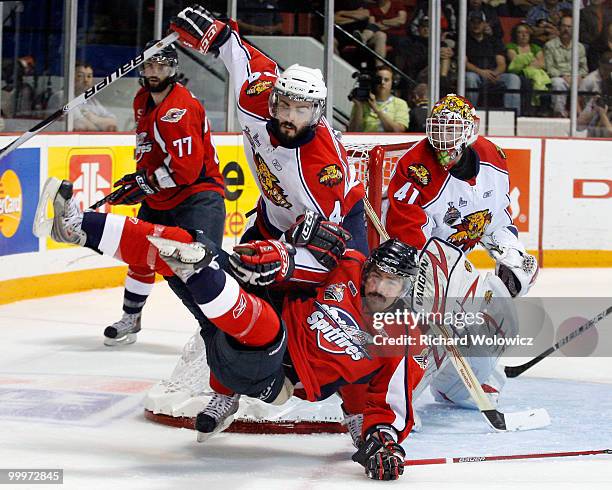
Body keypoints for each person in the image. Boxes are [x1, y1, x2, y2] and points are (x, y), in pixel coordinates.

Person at [36, 175, 524, 480]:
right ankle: (79, 227)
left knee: (257, 326)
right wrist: (281, 249)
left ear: (407, 289)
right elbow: (292, 266)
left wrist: (380, 439)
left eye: (390, 282)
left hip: (278, 380)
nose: (377, 284)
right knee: (188, 247)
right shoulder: (347, 266)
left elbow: (376, 403)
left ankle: (205, 287)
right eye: (375, 273)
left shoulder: (399, 340)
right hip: (237, 333)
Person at [169, 4, 369, 259]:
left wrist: (282, 257)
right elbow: (247, 60)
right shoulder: (255, 101)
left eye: (301, 110)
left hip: (337, 222)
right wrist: (219, 37)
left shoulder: (322, 168)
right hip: (272, 217)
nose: (289, 116)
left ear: (316, 115)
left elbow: (325, 240)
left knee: (344, 284)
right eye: (284, 105)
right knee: (229, 283)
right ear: (273, 99)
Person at [101, 41, 226, 346]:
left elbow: (186, 171)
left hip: (198, 195)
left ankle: (219, 332)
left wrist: (145, 184)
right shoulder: (143, 98)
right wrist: (142, 182)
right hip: (162, 196)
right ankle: (131, 318)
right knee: (141, 257)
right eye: (149, 65)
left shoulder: (178, 110)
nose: (154, 71)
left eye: (161, 65)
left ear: (173, 69)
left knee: (196, 267)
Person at [384, 93, 539, 299]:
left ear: (470, 131)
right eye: (438, 128)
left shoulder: (493, 156)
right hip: (406, 267)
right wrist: (446, 279)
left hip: (450, 261)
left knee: (521, 272)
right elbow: (408, 239)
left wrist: (509, 251)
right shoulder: (415, 169)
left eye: (451, 129)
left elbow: (496, 217)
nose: (443, 138)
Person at [465, 13, 522, 114]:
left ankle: (513, 115)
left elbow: (501, 63)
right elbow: (464, 62)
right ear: (469, 24)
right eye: (473, 22)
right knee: (470, 78)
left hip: (493, 75)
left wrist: (494, 73)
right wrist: (481, 72)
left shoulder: (494, 41)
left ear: (484, 24)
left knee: (513, 78)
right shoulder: (464, 40)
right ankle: (470, 114)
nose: (476, 25)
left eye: (479, 22)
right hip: (475, 74)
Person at [46, 62, 118, 131]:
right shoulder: (62, 96)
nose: (86, 80)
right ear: (70, 77)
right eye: (80, 76)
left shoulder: (91, 100)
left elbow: (113, 122)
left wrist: (94, 118)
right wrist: (101, 126)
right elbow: (81, 125)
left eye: (89, 76)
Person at [543, 14, 588, 118]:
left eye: (569, 27)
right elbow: (549, 68)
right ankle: (559, 114)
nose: (566, 29)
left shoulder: (580, 47)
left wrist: (576, 76)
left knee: (589, 82)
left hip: (576, 77)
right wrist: (564, 76)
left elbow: (584, 68)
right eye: (563, 26)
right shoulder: (550, 45)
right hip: (559, 77)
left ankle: (586, 115)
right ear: (559, 28)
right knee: (558, 83)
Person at [348, 65, 409, 132]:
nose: (382, 82)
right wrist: (359, 106)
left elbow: (398, 130)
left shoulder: (400, 103)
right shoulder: (362, 102)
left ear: (393, 83)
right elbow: (352, 131)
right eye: (379, 79)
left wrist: (376, 108)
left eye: (386, 80)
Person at [506, 22, 551, 107]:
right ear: (515, 35)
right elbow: (516, 62)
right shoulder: (511, 46)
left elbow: (542, 64)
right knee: (526, 81)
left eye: (526, 32)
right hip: (519, 75)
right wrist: (532, 60)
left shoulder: (535, 47)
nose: (524, 35)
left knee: (544, 82)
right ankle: (526, 110)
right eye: (520, 32)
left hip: (535, 75)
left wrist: (525, 61)